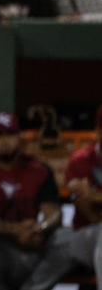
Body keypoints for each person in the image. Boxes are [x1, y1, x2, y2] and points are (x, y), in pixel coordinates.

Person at [0, 112, 73, 290]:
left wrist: (40, 229)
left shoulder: (39, 170)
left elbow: (54, 212)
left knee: (68, 238)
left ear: (20, 138)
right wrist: (13, 230)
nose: (4, 141)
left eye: (10, 134)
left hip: (34, 248)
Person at [62, 105, 102, 289]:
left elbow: (91, 199)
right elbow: (89, 213)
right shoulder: (81, 160)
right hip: (86, 236)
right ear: (98, 131)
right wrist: (91, 199)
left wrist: (95, 196)